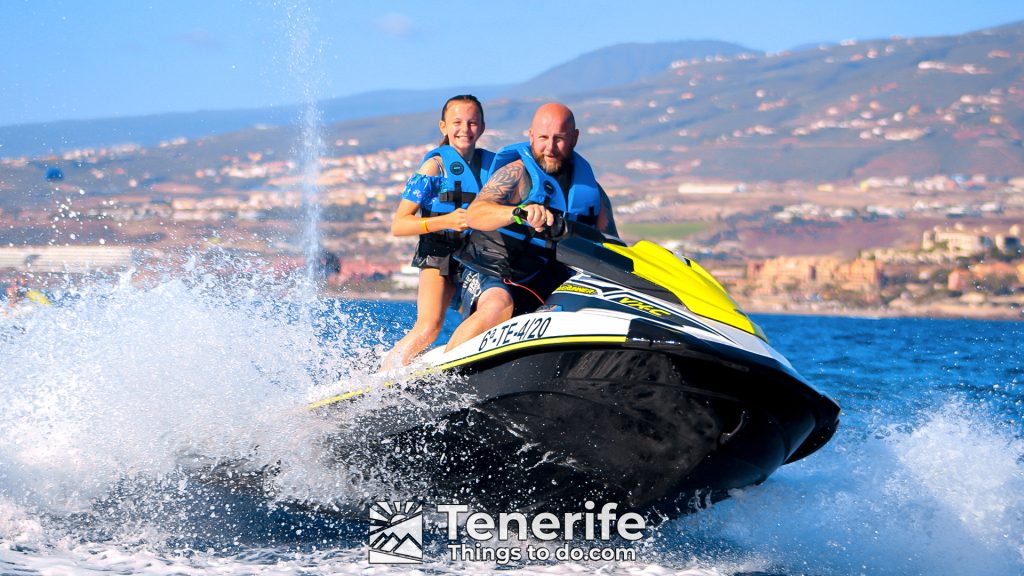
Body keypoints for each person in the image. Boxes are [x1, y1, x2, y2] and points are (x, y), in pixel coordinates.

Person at [445, 102, 617, 352]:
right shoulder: (516, 174)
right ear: (531, 136)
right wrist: (517, 212)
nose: (550, 148)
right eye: (543, 138)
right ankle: (439, 380)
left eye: (559, 139)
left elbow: (611, 247)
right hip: (492, 269)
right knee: (499, 305)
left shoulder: (593, 195)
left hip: (546, 280)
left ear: (575, 138)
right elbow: (475, 214)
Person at [382, 95, 495, 368]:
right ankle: (382, 378)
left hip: (476, 258)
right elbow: (400, 224)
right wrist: (445, 221)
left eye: (472, 123)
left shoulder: (495, 167)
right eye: (457, 122)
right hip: (438, 254)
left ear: (481, 127)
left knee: (485, 320)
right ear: (443, 126)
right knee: (430, 326)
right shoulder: (434, 167)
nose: (464, 129)